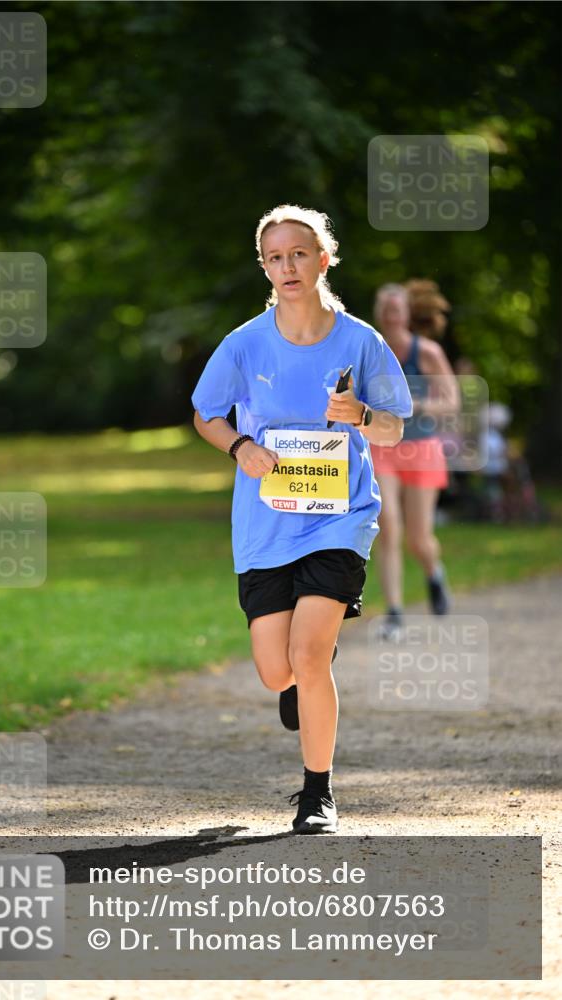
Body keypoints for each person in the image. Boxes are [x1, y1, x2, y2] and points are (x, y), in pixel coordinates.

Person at [191, 205, 412, 834]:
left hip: (341, 516)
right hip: (266, 522)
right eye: (275, 257)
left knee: (310, 659)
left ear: (324, 258)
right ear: (265, 267)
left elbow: (397, 428)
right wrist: (240, 446)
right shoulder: (244, 344)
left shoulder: (360, 340)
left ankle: (317, 793)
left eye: (299, 253)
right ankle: (300, 671)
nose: (288, 266)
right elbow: (206, 413)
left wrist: (362, 416)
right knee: (277, 670)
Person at [370, 282, 460, 639]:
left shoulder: (428, 353)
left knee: (419, 539)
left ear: (407, 314)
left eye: (397, 310)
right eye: (386, 311)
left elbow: (452, 401)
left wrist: (418, 404)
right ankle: (394, 613)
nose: (391, 317)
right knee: (388, 525)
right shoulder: (369, 349)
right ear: (379, 314)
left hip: (422, 448)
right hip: (381, 446)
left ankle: (433, 572)